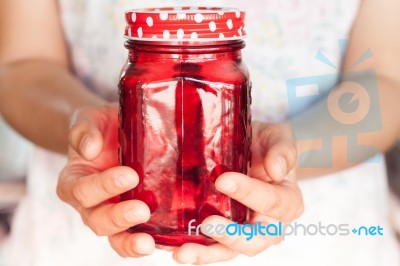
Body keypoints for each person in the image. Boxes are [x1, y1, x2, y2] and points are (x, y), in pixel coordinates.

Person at [0, 0, 400, 265]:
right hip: (85, 219)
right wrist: (89, 132)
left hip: (323, 234)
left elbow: (385, 82)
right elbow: (22, 65)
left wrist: (281, 156)